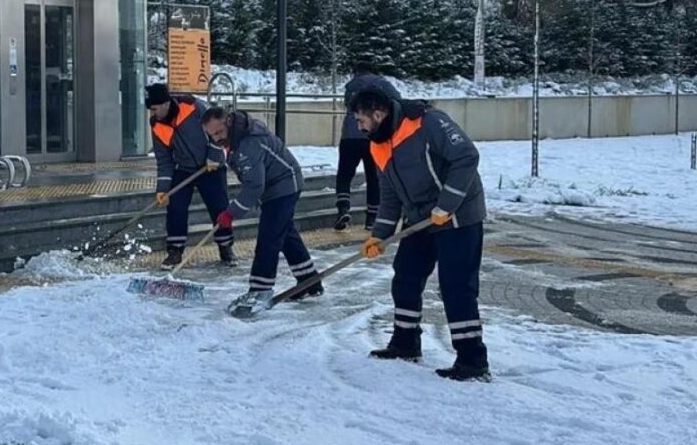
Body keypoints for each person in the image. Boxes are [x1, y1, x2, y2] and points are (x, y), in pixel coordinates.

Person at [351, 85, 490, 382]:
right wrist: (380, 235)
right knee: (405, 277)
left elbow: (466, 156)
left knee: (456, 286)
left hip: (457, 216)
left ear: (378, 114)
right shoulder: (378, 144)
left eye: (361, 120)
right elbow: (389, 195)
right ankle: (405, 341)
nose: (358, 126)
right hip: (420, 219)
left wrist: (448, 203)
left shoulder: (428, 122)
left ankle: (472, 360)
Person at [201, 107, 321, 318]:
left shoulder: (249, 142)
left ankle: (260, 289)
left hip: (284, 185)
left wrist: (231, 213)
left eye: (219, 132)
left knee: (269, 237)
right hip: (273, 188)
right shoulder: (236, 135)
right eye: (211, 135)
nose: (216, 138)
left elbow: (254, 185)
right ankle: (310, 282)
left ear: (228, 122)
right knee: (285, 235)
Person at [147, 83, 237, 268]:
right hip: (184, 168)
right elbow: (164, 160)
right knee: (176, 208)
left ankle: (226, 247)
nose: (153, 113)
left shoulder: (192, 106)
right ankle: (174, 251)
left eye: (155, 108)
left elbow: (217, 129)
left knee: (219, 207)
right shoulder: (156, 125)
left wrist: (214, 155)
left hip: (210, 167)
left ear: (165, 103)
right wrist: (163, 189)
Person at [334, 62, 400, 231]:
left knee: (344, 173)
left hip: (349, 135)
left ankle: (343, 207)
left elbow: (349, 106)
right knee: (373, 176)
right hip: (373, 135)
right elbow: (397, 101)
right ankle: (371, 217)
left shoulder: (351, 87)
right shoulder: (382, 83)